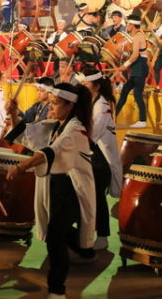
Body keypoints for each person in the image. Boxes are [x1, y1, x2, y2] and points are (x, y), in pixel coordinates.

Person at [6, 83, 96, 299]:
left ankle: (57, 291)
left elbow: (50, 151)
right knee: (57, 230)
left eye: (55, 104)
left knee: (55, 235)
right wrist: (13, 114)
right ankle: (85, 250)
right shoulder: (55, 125)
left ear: (69, 106)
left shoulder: (75, 129)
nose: (50, 107)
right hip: (56, 187)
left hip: (73, 190)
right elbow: (30, 136)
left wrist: (21, 167)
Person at [81, 67, 122, 250]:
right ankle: (86, 232)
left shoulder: (102, 106)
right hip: (92, 155)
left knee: (97, 197)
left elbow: (91, 135)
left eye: (86, 83)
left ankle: (103, 236)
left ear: (96, 86)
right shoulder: (91, 101)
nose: (83, 85)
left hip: (101, 161)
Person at [115, 14, 149, 128]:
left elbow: (135, 55)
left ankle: (143, 120)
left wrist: (125, 65)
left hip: (140, 66)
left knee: (137, 93)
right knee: (125, 91)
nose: (127, 26)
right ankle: (113, 117)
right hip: (137, 67)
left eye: (128, 24)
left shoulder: (138, 36)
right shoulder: (135, 36)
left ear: (132, 25)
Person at [4, 77, 54, 145]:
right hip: (33, 137)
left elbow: (39, 126)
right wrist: (15, 109)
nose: (38, 93)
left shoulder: (50, 108)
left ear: (50, 92)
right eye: (37, 90)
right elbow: (26, 118)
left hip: (40, 141)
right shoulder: (37, 105)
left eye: (41, 91)